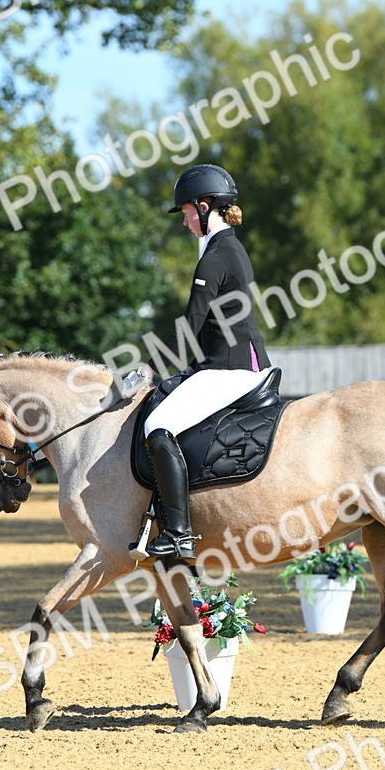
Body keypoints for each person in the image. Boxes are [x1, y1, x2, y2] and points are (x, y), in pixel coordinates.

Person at [106, 164, 272, 560]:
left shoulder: (217, 256)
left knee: (157, 424)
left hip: (229, 368)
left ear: (205, 205)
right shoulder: (227, 248)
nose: (184, 222)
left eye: (185, 213)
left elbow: (191, 324)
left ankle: (178, 532)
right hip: (228, 361)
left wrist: (148, 369)